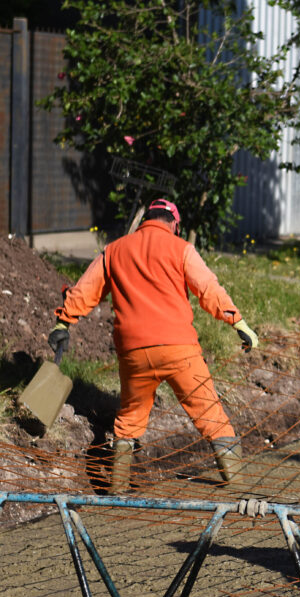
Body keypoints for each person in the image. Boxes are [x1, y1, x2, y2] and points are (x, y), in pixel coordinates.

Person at [49, 199, 258, 493]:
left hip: (134, 353)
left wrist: (63, 323)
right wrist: (238, 323)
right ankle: (238, 490)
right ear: (174, 224)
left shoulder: (114, 250)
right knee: (211, 415)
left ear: (146, 219)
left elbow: (85, 290)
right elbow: (208, 288)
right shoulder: (181, 248)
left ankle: (118, 489)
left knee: (129, 420)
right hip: (179, 349)